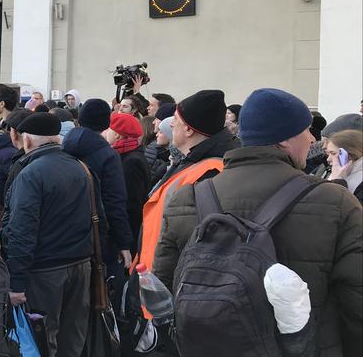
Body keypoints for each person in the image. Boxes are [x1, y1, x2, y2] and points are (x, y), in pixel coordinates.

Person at [154, 88, 362, 356]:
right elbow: (356, 300)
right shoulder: (336, 201)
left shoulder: (187, 198)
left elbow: (164, 290)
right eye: (306, 130)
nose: (312, 139)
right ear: (285, 139)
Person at [4, 112, 94, 356]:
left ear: (28, 141)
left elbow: (21, 231)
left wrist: (16, 282)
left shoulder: (31, 174)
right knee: (73, 339)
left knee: (43, 340)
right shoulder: (81, 167)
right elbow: (98, 220)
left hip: (45, 273)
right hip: (81, 266)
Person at [136, 90, 239, 277]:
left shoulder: (212, 171)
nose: (171, 123)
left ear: (189, 129)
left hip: (171, 286)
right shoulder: (193, 161)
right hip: (154, 274)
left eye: (176, 118)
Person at [62, 99, 133, 289]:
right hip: (98, 237)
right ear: (106, 123)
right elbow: (115, 203)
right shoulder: (108, 155)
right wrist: (124, 243)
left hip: (63, 234)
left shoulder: (63, 147)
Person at [105, 113, 151, 249]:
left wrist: (124, 239)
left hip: (130, 231)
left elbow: (131, 203)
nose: (106, 132)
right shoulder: (129, 154)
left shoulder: (131, 161)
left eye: (109, 128)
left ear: (118, 135)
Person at [326, 130, 363, 203]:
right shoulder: (339, 172)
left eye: (333, 153)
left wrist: (338, 181)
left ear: (351, 154)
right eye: (328, 154)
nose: (328, 159)